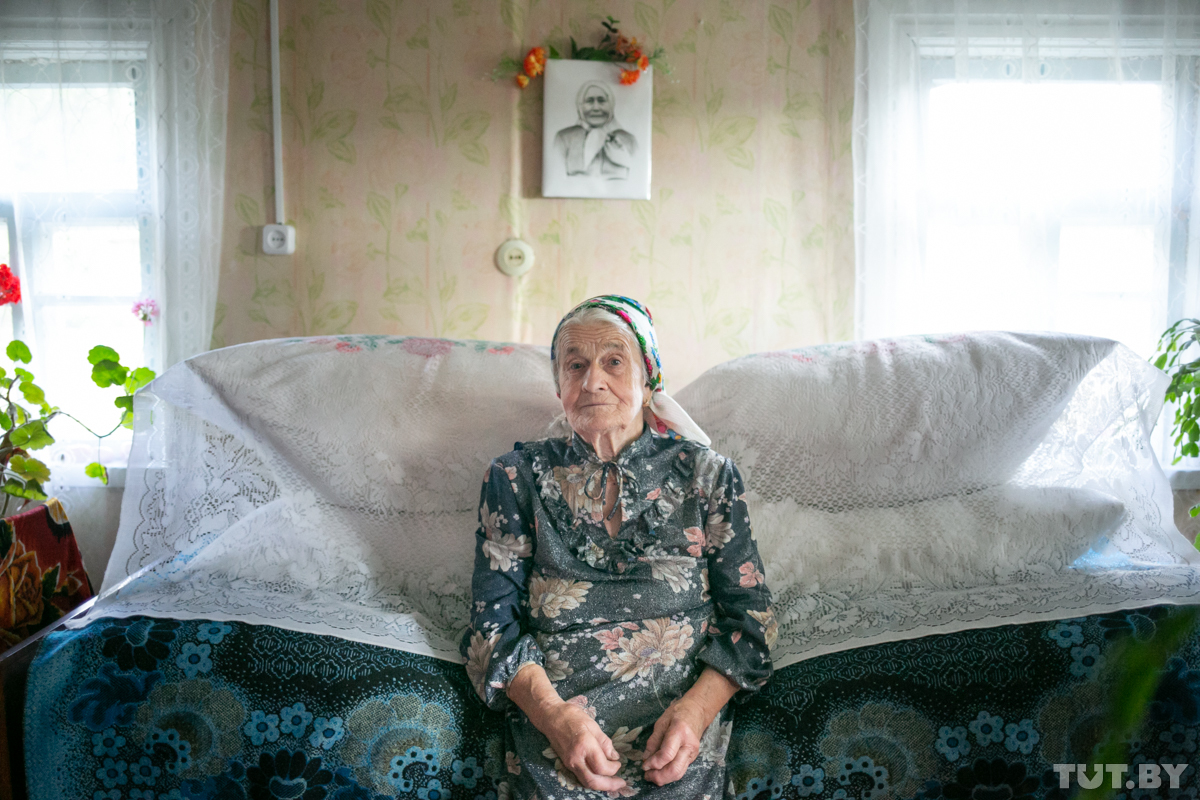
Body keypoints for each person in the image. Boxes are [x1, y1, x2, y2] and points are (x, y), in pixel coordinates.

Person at [461, 295, 776, 799]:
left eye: (613, 362)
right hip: (557, 724)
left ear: (649, 379)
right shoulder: (515, 478)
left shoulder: (707, 476)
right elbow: (491, 629)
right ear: (559, 385)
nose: (592, 382)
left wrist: (695, 713)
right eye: (575, 366)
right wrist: (555, 717)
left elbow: (753, 620)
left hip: (677, 725)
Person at [554, 82, 637, 179]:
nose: (596, 108)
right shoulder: (564, 138)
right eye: (589, 101)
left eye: (602, 101)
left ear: (611, 104)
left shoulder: (628, 139)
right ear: (580, 105)